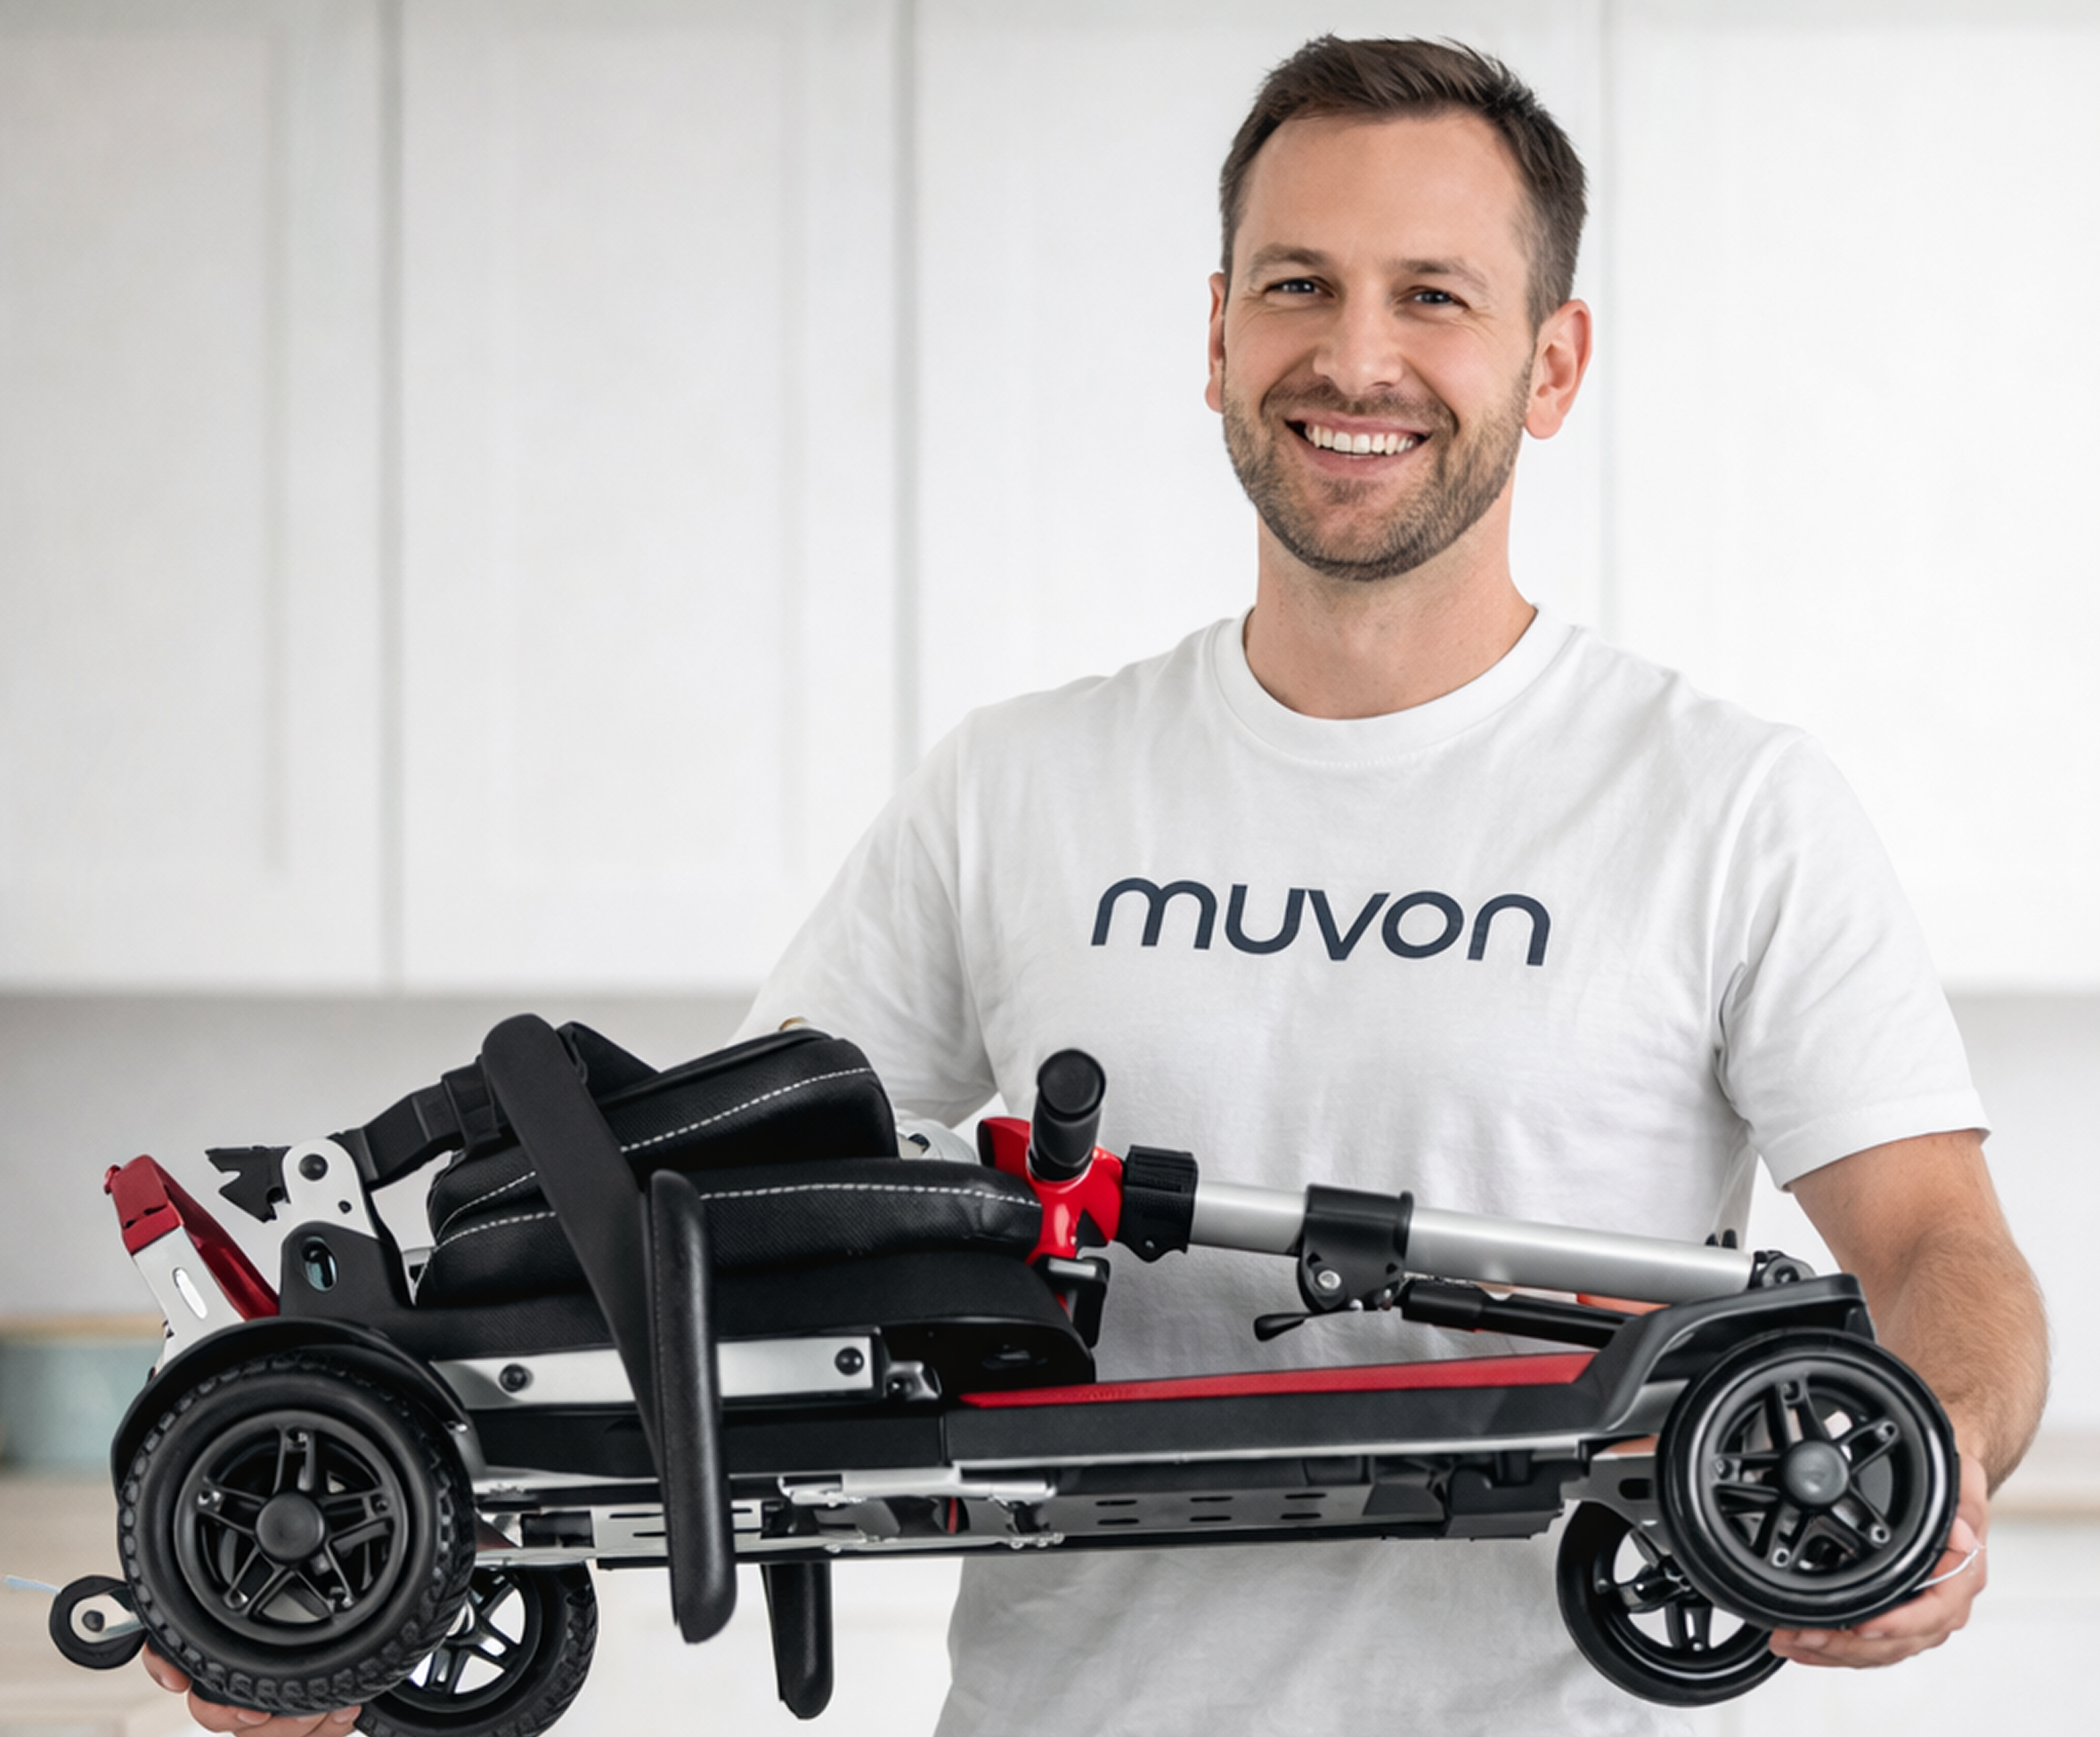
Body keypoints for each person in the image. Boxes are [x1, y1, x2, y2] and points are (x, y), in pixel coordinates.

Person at [153, 34, 2046, 1737]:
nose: (1355, 356)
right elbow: (736, 1233)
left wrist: (1925, 1475)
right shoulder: (1014, 787)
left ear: (1550, 363)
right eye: (1297, 285)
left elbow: (1941, 1261)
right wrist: (334, 1591)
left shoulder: (1730, 806)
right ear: (1217, 333)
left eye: (1435, 297)